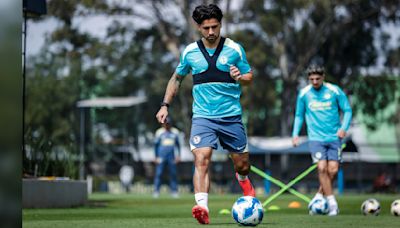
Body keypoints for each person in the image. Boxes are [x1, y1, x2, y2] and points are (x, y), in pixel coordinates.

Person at [155, 4, 255, 225]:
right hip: (203, 117)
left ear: (220, 24)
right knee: (201, 159)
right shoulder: (190, 52)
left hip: (231, 117)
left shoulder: (235, 49)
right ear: (198, 27)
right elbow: (176, 78)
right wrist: (165, 105)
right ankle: (202, 208)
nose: (211, 32)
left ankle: (244, 181)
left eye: (215, 26)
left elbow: (250, 77)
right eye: (206, 27)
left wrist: (240, 77)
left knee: (242, 164)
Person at [292, 65, 352, 216]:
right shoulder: (304, 94)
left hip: (334, 137)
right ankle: (332, 204)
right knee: (321, 168)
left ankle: (319, 196)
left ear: (323, 77)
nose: (314, 81)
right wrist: (295, 134)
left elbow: (347, 110)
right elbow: (299, 115)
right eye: (311, 79)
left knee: (333, 170)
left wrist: (344, 127)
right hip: (316, 138)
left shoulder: (334, 91)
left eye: (317, 78)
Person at [153, 117, 181, 198]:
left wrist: (178, 156)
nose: (167, 125)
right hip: (161, 156)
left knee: (173, 174)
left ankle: (174, 191)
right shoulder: (159, 132)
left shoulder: (175, 132)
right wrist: (156, 157)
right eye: (165, 124)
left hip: (171, 156)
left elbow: (178, 145)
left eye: (168, 123)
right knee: (159, 173)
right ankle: (156, 191)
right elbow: (156, 146)